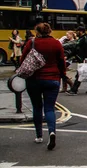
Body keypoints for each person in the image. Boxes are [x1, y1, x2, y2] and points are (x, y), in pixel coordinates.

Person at [21, 22, 66, 150]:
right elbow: (62, 61)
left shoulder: (32, 43)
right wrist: (62, 75)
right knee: (49, 108)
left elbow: (23, 59)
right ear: (50, 31)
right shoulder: (56, 43)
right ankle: (52, 132)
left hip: (34, 79)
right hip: (52, 79)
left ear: (37, 32)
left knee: (37, 107)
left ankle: (39, 136)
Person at [67, 26, 87, 95]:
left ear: (81, 31)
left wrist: (85, 59)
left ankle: (74, 90)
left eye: (77, 31)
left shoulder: (83, 38)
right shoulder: (83, 38)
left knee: (80, 74)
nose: (76, 33)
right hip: (84, 59)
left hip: (85, 59)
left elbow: (76, 47)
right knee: (85, 74)